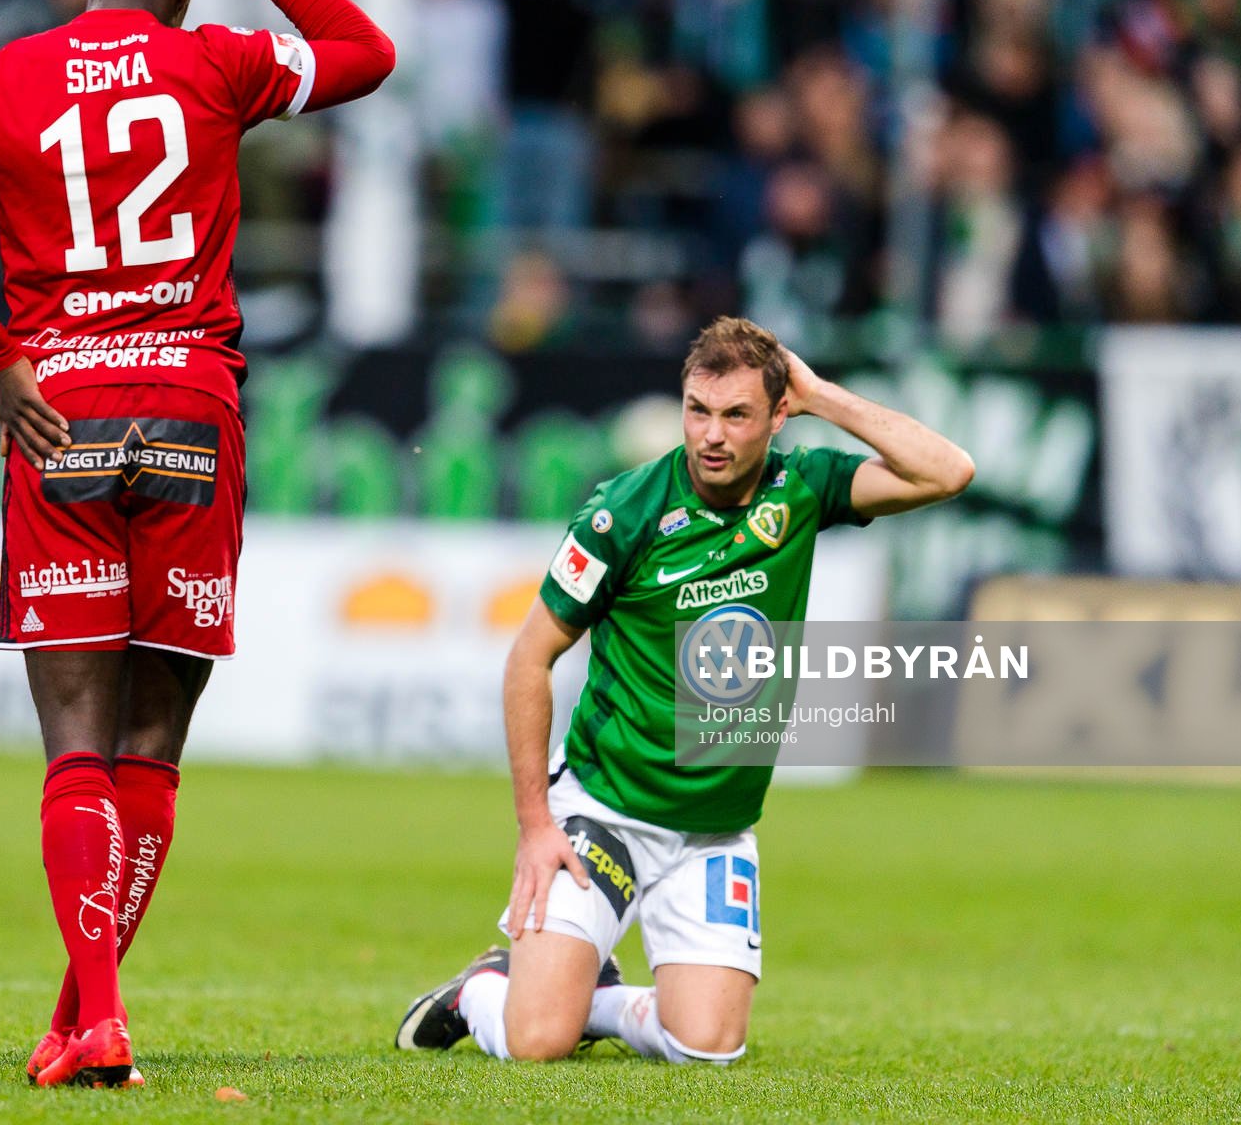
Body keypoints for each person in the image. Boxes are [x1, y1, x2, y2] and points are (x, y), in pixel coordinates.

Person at [0, 0, 394, 1088]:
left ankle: (90, 1014)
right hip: (191, 415)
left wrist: (1, 353)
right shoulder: (212, 62)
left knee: (75, 743)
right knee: (150, 744)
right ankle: (84, 1017)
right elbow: (369, 52)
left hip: (65, 416)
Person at [395, 317, 973, 1065]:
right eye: (699, 410)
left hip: (714, 828)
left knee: (707, 1048)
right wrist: (536, 824)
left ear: (777, 415)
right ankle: (480, 989)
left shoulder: (800, 490)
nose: (713, 435)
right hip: (604, 811)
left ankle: (593, 1002)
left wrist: (825, 395)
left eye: (737, 415)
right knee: (537, 1041)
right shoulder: (622, 514)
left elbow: (948, 471)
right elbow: (528, 659)